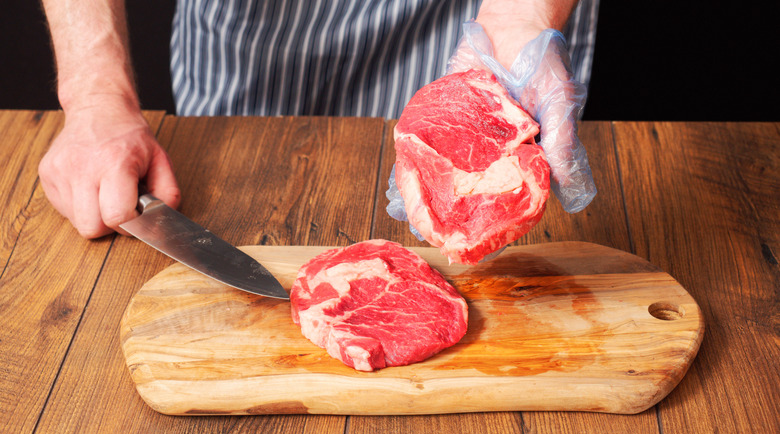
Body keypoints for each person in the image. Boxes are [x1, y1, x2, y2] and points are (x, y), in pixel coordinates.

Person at [38, 0, 599, 239]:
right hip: (254, 28)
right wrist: (94, 94)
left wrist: (521, 15)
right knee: (240, 206)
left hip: (471, 18)